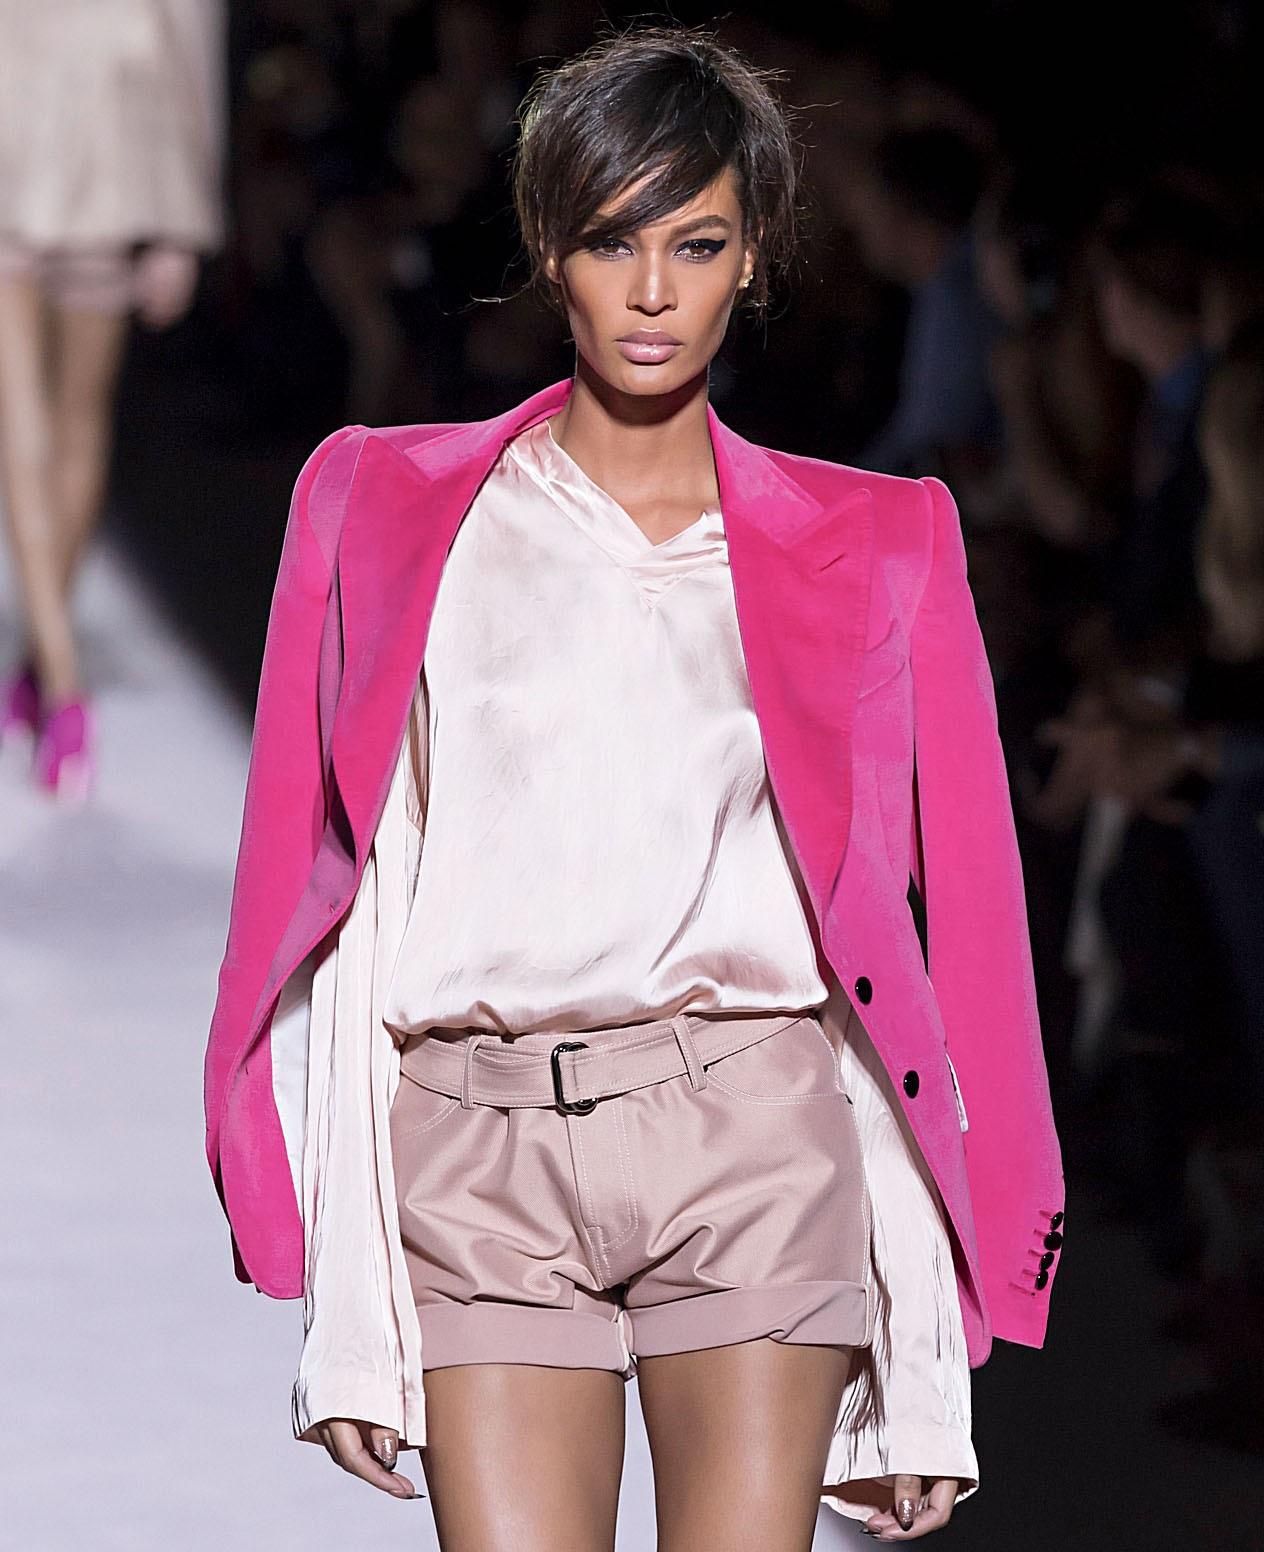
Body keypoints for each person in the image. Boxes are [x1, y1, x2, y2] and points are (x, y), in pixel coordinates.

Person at [202, 26, 1063, 1548]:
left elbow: (967, 924)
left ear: (754, 258)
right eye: (612, 240)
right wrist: (327, 1264)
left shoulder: (879, 545)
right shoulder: (382, 507)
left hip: (750, 1129)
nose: (653, 290)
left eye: (697, 243)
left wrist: (944, 1309)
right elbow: (307, 880)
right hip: (474, 1144)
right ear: (550, 247)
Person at [0, 0, 225, 798]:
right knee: (72, 422)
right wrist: (183, 222)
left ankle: (50, 671)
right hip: (108, 144)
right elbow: (191, 46)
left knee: (36, 426)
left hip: (35, 124)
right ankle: (61, 678)